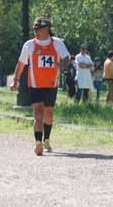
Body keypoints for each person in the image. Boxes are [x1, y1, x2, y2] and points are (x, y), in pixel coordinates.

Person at [9, 17, 70, 155]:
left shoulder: (57, 43)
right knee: (38, 115)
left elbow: (67, 58)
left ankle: (46, 140)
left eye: (38, 29)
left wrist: (62, 64)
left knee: (48, 116)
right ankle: (38, 143)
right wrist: (16, 80)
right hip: (35, 86)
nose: (35, 32)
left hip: (51, 85)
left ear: (46, 28)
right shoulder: (29, 45)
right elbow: (21, 64)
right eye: (34, 29)